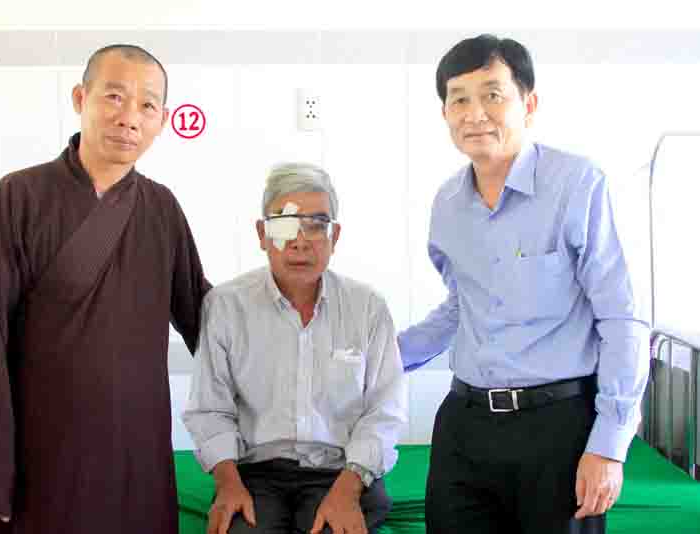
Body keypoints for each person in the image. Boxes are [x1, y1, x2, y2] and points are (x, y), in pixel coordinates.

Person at [398, 35, 650, 534]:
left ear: (528, 104)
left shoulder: (578, 185)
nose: (475, 114)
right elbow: (461, 307)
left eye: (493, 95)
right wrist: (380, 357)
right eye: (459, 99)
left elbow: (622, 318)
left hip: (558, 425)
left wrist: (608, 446)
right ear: (445, 113)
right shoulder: (447, 205)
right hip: (465, 423)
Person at [0, 44, 211, 534]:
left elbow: (206, 318)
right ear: (80, 98)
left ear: (161, 121)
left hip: (137, 451)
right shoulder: (19, 196)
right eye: (114, 97)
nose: (129, 118)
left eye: (147, 105)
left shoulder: (161, 209)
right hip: (42, 454)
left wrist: (283, 306)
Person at [182, 163, 407, 534]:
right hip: (256, 474)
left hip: (343, 471)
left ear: (335, 235)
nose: (300, 241)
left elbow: (385, 411)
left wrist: (349, 488)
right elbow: (210, 409)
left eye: (316, 225)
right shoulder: (225, 306)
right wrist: (227, 483)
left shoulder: (367, 307)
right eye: (284, 225)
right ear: (262, 234)